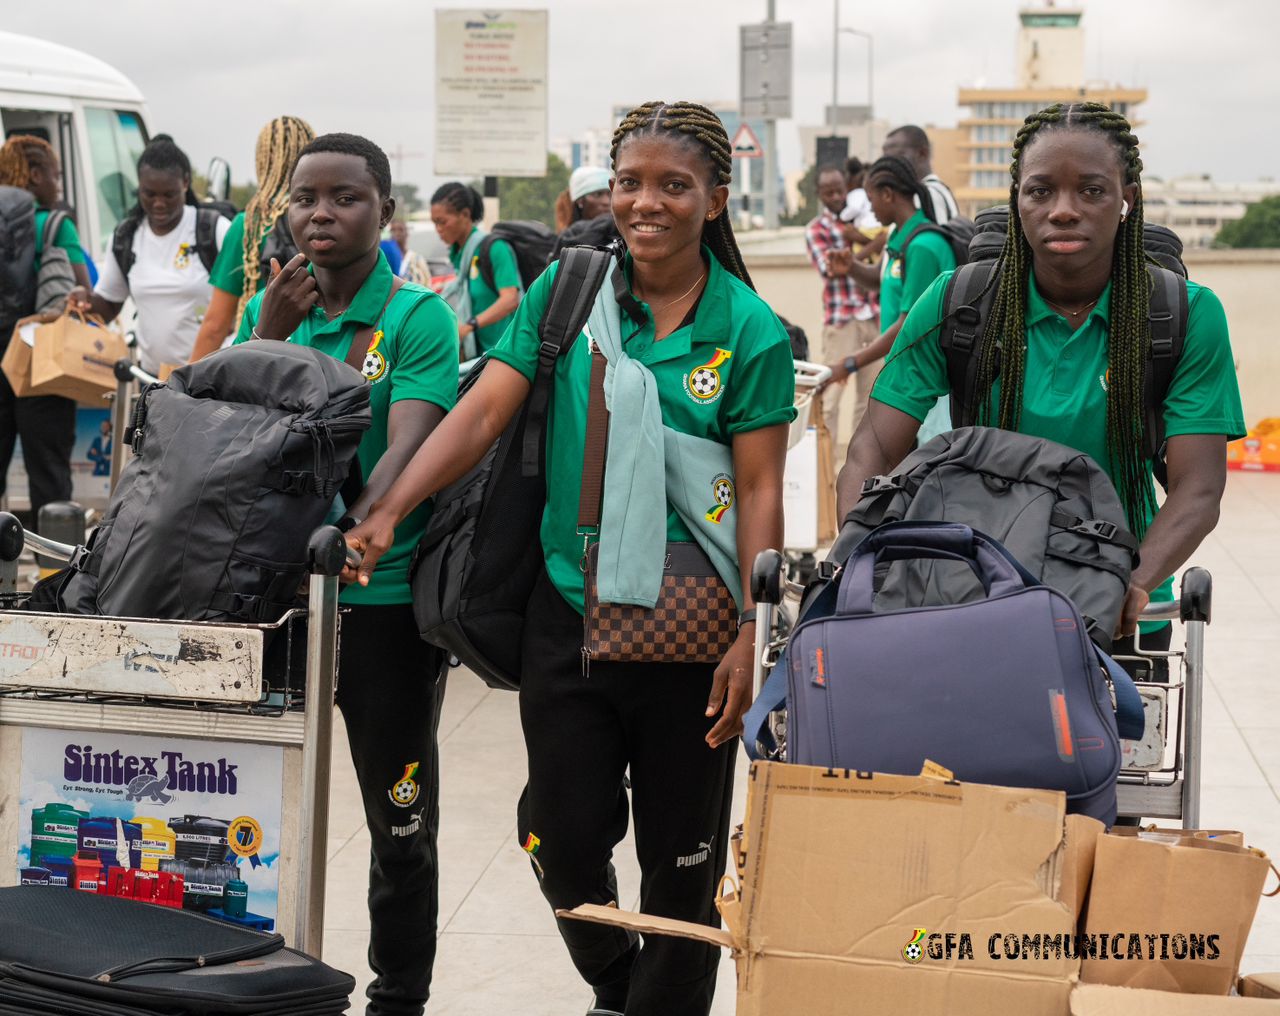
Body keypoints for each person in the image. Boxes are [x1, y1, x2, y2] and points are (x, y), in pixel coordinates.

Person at [345, 101, 795, 1016]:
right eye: (630, 182)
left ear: (714, 201)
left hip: (697, 638)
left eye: (674, 185)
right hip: (571, 614)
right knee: (557, 836)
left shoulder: (750, 331)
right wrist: (391, 504)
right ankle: (619, 982)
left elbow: (758, 494)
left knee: (682, 861)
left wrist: (757, 632)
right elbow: (480, 414)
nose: (646, 202)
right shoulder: (568, 294)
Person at [836, 102, 1243, 653]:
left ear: (1129, 198)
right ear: (1017, 199)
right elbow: (871, 450)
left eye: (1093, 191)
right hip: (968, 597)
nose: (1064, 210)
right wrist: (866, 560)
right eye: (1041, 190)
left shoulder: (1184, 316)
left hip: (1118, 611)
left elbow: (1199, 488)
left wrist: (1132, 583)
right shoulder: (958, 303)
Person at [237, 133, 458, 1016]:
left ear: (385, 213)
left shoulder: (416, 318)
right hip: (277, 605)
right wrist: (268, 338)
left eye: (345, 198)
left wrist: (365, 525)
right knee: (251, 811)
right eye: (305, 199)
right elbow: (234, 442)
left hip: (382, 606)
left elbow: (409, 442)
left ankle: (398, 996)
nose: (320, 214)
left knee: (398, 821)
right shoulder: (276, 309)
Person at [68, 137, 230, 374]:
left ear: (185, 183)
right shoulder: (126, 237)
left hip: (211, 378)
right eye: (149, 194)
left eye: (169, 195)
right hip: (153, 379)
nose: (159, 204)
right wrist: (85, 301)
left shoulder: (213, 230)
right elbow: (109, 305)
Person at [821, 155, 956, 431]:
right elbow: (883, 282)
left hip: (927, 381)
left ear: (887, 194)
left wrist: (850, 364)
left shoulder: (923, 246)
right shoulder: (901, 237)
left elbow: (909, 324)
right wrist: (851, 268)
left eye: (871, 200)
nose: (869, 208)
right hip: (907, 374)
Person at [0, 135, 93, 521]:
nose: (58, 186)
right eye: (55, 176)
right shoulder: (54, 225)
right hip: (42, 365)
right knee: (50, 480)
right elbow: (82, 292)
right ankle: (51, 577)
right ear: (35, 176)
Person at [190, 115, 316, 361]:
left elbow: (216, 323)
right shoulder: (324, 219)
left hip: (263, 357)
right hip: (322, 357)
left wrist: (180, 389)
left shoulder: (249, 225)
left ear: (262, 161)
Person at [805, 165, 879, 464]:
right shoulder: (816, 229)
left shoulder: (863, 219)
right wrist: (866, 246)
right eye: (829, 192)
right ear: (820, 194)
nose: (836, 196)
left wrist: (858, 246)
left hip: (872, 316)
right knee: (830, 400)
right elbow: (830, 269)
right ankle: (825, 470)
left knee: (870, 400)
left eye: (840, 190)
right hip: (841, 320)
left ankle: (859, 467)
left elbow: (882, 255)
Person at [431, 182, 521, 357]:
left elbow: (510, 299)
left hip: (504, 354)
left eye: (442, 222)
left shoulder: (494, 248)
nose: (439, 230)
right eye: (435, 223)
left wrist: (469, 326)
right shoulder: (459, 254)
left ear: (465, 214)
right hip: (477, 356)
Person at [882, 124, 960, 226]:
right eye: (885, 159)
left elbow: (933, 240)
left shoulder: (928, 194)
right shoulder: (930, 191)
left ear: (922, 153)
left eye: (896, 158)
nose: (888, 165)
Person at [552, 165, 620, 258]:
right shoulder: (566, 238)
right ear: (580, 200)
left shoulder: (622, 235)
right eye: (597, 194)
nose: (606, 201)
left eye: (609, 194)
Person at [389, 219, 431, 286]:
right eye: (393, 230)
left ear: (407, 233)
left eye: (400, 230)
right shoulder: (386, 259)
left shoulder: (417, 259)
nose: (397, 233)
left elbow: (427, 283)